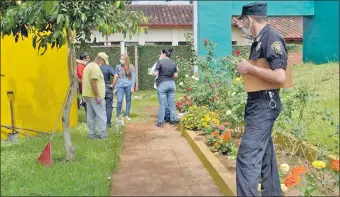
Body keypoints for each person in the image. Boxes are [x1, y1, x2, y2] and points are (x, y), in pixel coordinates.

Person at [235, 2, 288, 196]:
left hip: (266, 104)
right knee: (265, 156)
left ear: (249, 19)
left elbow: (280, 76)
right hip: (258, 104)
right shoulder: (259, 39)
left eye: (243, 21)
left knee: (247, 156)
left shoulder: (271, 38)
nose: (243, 25)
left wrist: (249, 68)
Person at [82, 52, 109, 139]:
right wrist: (98, 95)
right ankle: (103, 135)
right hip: (95, 96)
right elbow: (93, 82)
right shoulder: (95, 68)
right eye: (104, 62)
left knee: (90, 117)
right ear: (100, 59)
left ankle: (91, 135)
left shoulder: (89, 66)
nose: (103, 64)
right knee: (101, 116)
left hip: (87, 95)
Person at [153, 47, 179, 128]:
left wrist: (155, 71)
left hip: (162, 84)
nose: (160, 55)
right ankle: (173, 120)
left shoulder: (160, 62)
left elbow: (155, 73)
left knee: (162, 104)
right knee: (171, 103)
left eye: (161, 53)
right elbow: (176, 75)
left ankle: (160, 122)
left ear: (164, 54)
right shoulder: (173, 63)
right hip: (172, 84)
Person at [112, 54, 136, 121]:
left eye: (122, 59)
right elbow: (116, 77)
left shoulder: (131, 67)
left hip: (128, 85)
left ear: (126, 60)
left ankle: (127, 115)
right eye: (120, 59)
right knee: (119, 100)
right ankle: (118, 115)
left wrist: (132, 86)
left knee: (128, 100)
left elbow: (133, 77)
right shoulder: (117, 67)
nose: (121, 60)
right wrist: (115, 87)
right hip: (120, 86)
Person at [100, 61, 116, 128]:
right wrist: (112, 85)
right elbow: (116, 75)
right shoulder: (108, 67)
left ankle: (101, 123)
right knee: (108, 106)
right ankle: (108, 123)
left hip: (99, 88)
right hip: (107, 87)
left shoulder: (96, 67)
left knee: (100, 106)